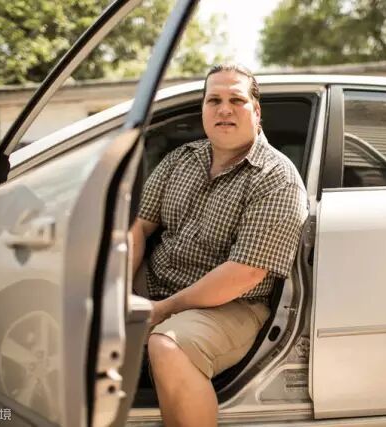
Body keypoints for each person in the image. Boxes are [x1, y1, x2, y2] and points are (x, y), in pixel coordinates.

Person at [130, 64, 308, 426]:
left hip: (231, 305)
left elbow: (246, 273)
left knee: (168, 345)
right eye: (214, 100)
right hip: (154, 285)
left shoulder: (277, 177)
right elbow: (138, 227)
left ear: (256, 111)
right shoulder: (181, 158)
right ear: (203, 110)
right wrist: (116, 289)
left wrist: (162, 310)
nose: (224, 109)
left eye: (236, 100)